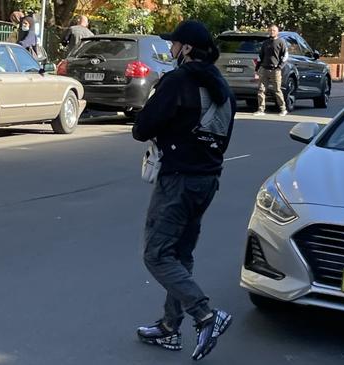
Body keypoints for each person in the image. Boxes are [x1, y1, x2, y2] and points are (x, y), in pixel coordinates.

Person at [132, 20, 235, 362]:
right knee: (181, 254)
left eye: (175, 44)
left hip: (178, 180)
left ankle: (206, 314)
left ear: (187, 48)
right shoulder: (221, 85)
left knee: (157, 254)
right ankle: (169, 327)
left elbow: (142, 127)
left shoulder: (178, 82)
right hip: (208, 179)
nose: (171, 49)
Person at [254, 24, 288, 117]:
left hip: (275, 70)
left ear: (277, 32)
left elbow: (285, 56)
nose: (272, 32)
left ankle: (283, 109)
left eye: (274, 30)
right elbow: (260, 56)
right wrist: (257, 69)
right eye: (270, 30)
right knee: (261, 90)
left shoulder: (281, 42)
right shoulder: (265, 43)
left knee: (277, 90)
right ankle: (261, 110)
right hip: (264, 69)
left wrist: (279, 67)